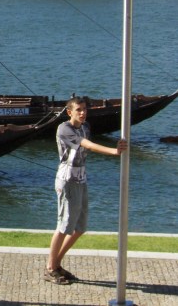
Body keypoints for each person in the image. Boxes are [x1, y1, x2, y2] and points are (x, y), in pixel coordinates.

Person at [44, 97, 127, 285]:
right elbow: (86, 145)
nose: (83, 113)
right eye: (79, 110)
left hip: (81, 179)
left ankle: (56, 264)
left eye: (84, 109)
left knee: (79, 228)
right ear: (69, 112)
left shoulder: (85, 127)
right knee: (64, 226)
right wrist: (113, 152)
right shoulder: (64, 129)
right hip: (67, 181)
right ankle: (51, 267)